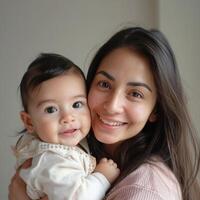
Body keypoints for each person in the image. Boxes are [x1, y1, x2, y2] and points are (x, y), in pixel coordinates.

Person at [9, 27, 200, 200]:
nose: (112, 106)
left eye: (135, 94)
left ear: (155, 110)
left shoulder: (145, 190)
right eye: (104, 84)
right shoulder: (68, 151)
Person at [12, 53, 120, 200]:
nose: (68, 118)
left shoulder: (69, 143)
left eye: (77, 104)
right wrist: (103, 176)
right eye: (51, 109)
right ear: (29, 122)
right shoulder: (50, 160)